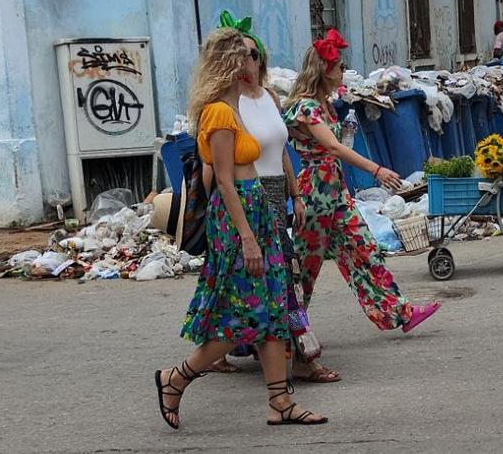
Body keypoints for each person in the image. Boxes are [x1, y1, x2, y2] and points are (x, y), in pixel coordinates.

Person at [153, 26, 327, 429]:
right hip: (239, 217)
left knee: (271, 311)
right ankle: (175, 378)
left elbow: (273, 154)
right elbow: (224, 181)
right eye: (246, 55)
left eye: (255, 54)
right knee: (244, 318)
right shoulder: (218, 112)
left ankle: (280, 402)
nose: (254, 61)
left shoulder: (240, 108)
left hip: (259, 211)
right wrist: (247, 237)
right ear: (231, 63)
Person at [284, 29, 441, 378]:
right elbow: (334, 148)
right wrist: (377, 169)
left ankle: (399, 313)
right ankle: (286, 336)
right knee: (304, 273)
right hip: (314, 197)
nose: (343, 72)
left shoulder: (325, 104)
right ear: (324, 70)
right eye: (339, 66)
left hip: (335, 193)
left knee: (365, 250)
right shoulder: (304, 108)